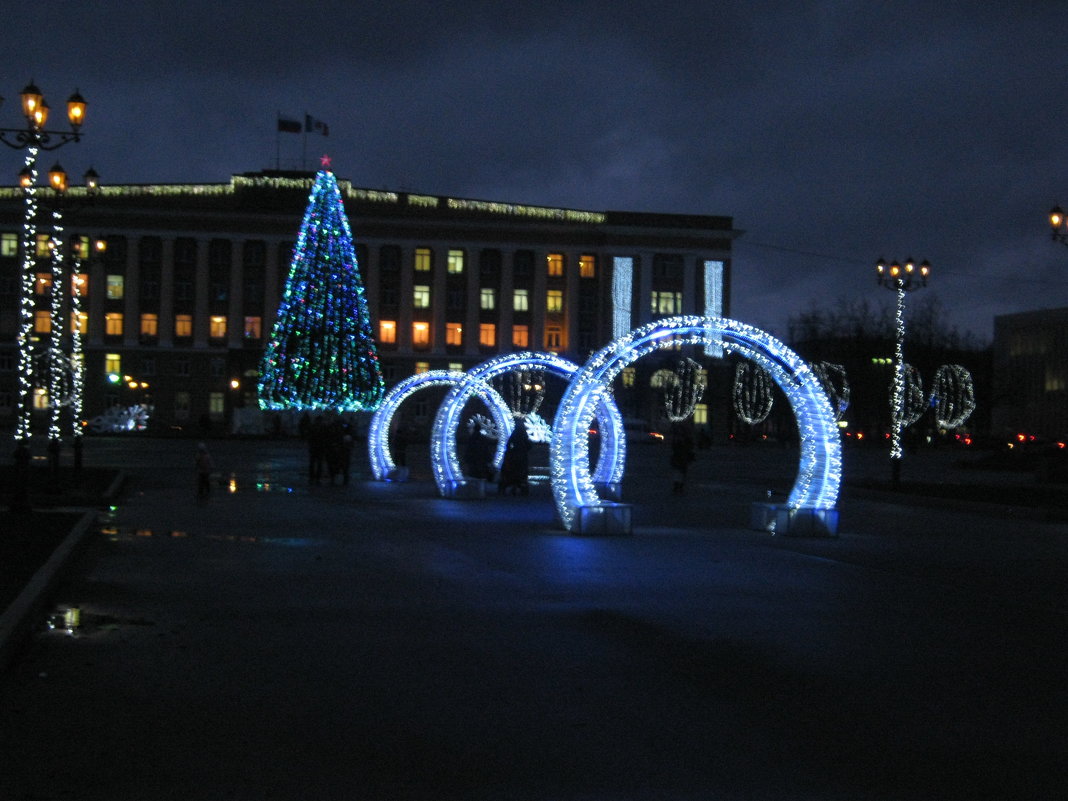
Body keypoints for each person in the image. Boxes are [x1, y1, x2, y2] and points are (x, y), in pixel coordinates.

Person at [498, 419, 532, 495]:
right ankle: (520, 484)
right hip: (522, 455)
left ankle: (511, 484)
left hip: (515, 454)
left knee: (512, 471)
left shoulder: (515, 433)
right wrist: (525, 449)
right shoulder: (524, 434)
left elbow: (509, 443)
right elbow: (528, 445)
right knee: (521, 472)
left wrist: (510, 450)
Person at [669, 422, 695, 494]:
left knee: (678, 472)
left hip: (679, 457)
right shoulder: (685, 438)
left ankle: (678, 486)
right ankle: (679, 486)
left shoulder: (677, 438)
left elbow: (674, 447)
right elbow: (690, 447)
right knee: (681, 472)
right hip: (682, 457)